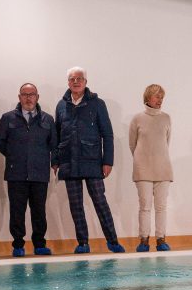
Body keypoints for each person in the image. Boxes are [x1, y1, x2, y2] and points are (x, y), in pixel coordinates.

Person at [53, 66, 125, 254]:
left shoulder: (97, 104)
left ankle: (113, 241)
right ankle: (83, 243)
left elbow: (107, 134)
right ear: (68, 82)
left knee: (100, 201)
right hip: (68, 162)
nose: (75, 82)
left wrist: (107, 161)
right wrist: (55, 161)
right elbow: (56, 136)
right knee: (76, 205)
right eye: (72, 79)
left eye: (79, 78)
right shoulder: (61, 105)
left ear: (86, 82)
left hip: (92, 160)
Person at [0, 83, 57, 257]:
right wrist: (13, 155)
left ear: (37, 97)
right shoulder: (8, 118)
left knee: (39, 211)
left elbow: (54, 144)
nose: (28, 97)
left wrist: (55, 163)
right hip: (16, 174)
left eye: (32, 94)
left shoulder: (48, 119)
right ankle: (18, 245)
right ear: (19, 97)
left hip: (39, 174)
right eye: (25, 94)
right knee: (17, 211)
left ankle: (39, 245)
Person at [129, 83, 173, 251]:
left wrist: (157, 158)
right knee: (145, 206)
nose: (160, 100)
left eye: (162, 97)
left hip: (163, 169)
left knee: (161, 207)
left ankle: (161, 239)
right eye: (157, 96)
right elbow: (132, 145)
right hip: (143, 169)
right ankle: (144, 240)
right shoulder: (137, 119)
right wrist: (143, 160)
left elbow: (166, 143)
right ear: (148, 97)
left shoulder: (166, 118)